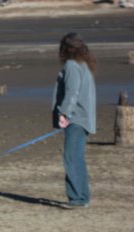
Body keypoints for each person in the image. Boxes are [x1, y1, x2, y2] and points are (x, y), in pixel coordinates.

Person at [52, 32, 96, 209]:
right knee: (77, 158)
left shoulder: (72, 65)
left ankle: (77, 198)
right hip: (83, 118)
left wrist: (64, 114)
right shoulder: (83, 65)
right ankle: (83, 197)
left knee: (70, 157)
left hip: (76, 119)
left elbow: (72, 93)